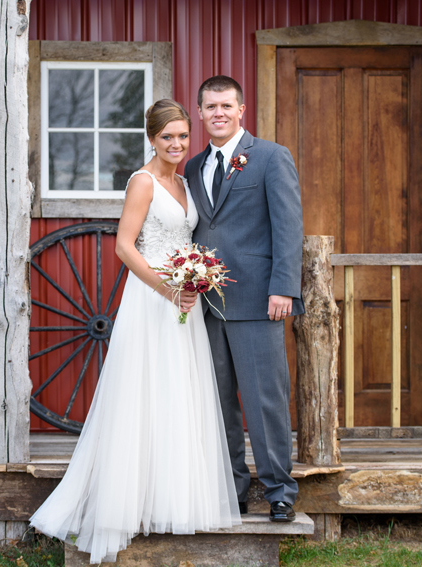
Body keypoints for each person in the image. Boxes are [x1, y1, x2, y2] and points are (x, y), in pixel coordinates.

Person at [29, 99, 241, 564]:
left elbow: (188, 241)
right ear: (151, 139)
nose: (177, 144)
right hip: (152, 301)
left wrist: (194, 282)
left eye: (184, 136)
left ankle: (175, 497)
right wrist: (168, 289)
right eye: (168, 137)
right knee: (145, 392)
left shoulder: (184, 182)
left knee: (180, 393)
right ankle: (130, 500)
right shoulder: (143, 183)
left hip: (185, 300)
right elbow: (125, 247)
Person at [184, 75, 304, 522]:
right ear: (200, 113)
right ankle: (231, 488)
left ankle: (279, 492)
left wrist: (284, 287)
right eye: (210, 106)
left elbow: (289, 225)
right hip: (207, 304)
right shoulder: (194, 167)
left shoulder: (271, 157)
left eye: (226, 106)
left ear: (241, 110)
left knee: (264, 398)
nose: (218, 113)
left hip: (259, 298)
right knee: (218, 403)